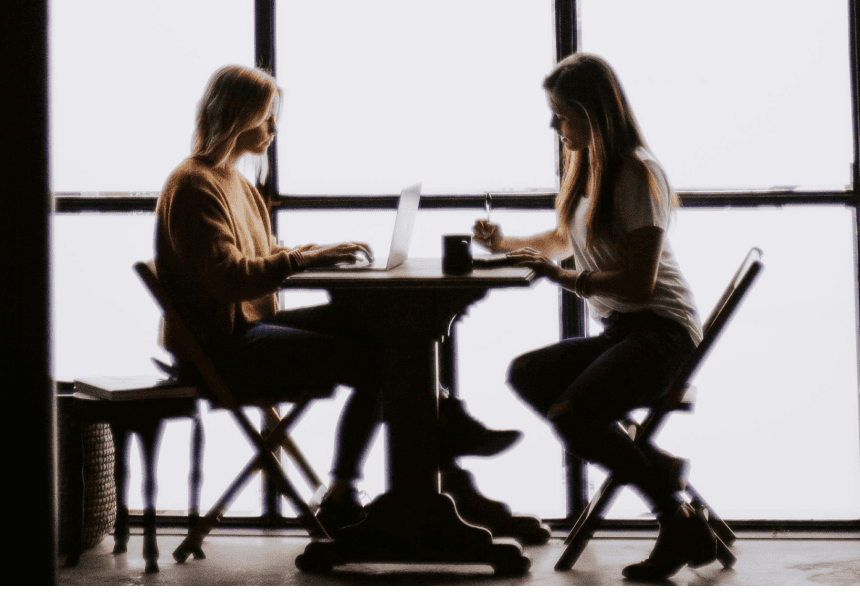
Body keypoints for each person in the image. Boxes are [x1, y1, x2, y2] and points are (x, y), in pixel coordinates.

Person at [155, 65, 517, 535]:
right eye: (266, 118)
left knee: (377, 326)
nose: (273, 129)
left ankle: (434, 446)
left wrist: (311, 255)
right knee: (378, 356)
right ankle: (408, 462)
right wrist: (304, 261)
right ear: (236, 116)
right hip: (219, 350)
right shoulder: (194, 185)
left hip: (241, 331)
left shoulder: (233, 182)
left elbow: (262, 261)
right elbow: (229, 280)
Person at [472, 53, 717, 581]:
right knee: (527, 373)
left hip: (662, 334)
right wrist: (506, 245)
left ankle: (672, 516)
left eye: (561, 114)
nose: (553, 125)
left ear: (592, 113)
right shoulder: (589, 169)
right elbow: (564, 241)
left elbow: (639, 282)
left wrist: (558, 277)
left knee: (573, 415)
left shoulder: (637, 173)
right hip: (624, 330)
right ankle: (664, 474)